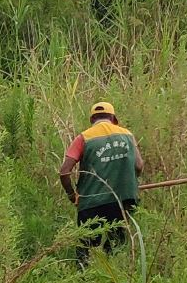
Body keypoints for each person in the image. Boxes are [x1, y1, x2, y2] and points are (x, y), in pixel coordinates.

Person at [57, 101, 142, 268]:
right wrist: (132, 184)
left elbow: (64, 172)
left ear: (92, 119)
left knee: (86, 246)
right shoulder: (127, 135)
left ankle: (84, 280)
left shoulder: (84, 138)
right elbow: (138, 166)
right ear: (113, 118)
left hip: (91, 203)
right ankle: (114, 276)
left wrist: (71, 195)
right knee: (116, 244)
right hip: (122, 200)